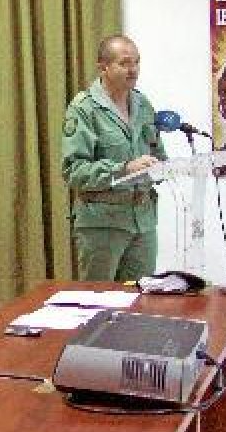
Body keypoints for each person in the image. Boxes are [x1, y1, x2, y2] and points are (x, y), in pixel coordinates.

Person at [61, 35, 167, 282]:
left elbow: (156, 152)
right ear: (103, 67)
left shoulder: (143, 104)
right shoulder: (84, 108)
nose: (133, 70)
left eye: (137, 63)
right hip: (102, 224)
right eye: (125, 63)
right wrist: (124, 169)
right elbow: (73, 170)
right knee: (100, 304)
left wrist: (165, 167)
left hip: (143, 221)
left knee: (142, 301)